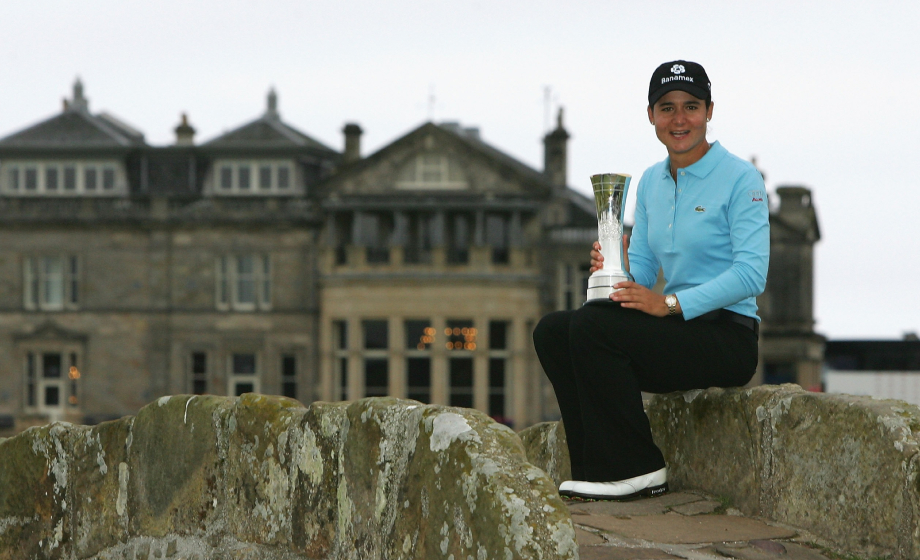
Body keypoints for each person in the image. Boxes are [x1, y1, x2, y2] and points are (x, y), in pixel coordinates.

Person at [532, 60, 769, 501]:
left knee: (591, 326)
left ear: (709, 110)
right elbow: (640, 270)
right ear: (651, 115)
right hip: (675, 334)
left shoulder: (741, 178)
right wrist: (611, 266)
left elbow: (751, 273)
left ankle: (637, 467)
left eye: (691, 106)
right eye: (667, 108)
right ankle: (593, 467)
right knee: (554, 330)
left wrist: (671, 304)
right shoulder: (651, 183)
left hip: (726, 338)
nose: (679, 119)